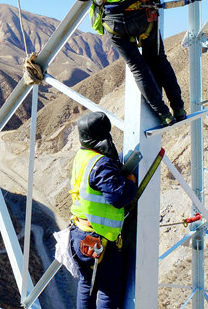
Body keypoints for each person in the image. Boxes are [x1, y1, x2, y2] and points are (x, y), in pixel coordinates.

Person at [69, 112, 137, 308]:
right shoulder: (101, 164)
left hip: (78, 233)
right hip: (99, 239)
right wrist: (130, 183)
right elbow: (119, 197)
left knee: (86, 282)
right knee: (109, 288)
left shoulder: (83, 156)